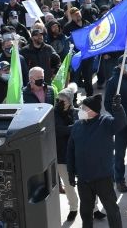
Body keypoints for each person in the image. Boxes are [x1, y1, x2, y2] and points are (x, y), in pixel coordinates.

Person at [67, 93, 126, 228]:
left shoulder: (105, 122)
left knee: (112, 209)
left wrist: (118, 108)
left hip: (102, 177)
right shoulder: (77, 126)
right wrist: (71, 171)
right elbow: (70, 151)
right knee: (86, 212)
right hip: (83, 179)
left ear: (92, 110)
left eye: (83, 108)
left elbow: (121, 123)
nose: (80, 110)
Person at [104, 59, 127, 192]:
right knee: (120, 153)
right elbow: (107, 103)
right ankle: (119, 179)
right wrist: (116, 109)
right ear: (120, 66)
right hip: (121, 125)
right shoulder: (114, 82)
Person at [54, 84, 79, 222]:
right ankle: (73, 208)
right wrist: (73, 127)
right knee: (68, 186)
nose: (60, 102)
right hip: (62, 156)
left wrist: (70, 128)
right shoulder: (54, 113)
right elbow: (59, 130)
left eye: (63, 100)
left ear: (70, 100)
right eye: (58, 100)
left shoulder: (76, 112)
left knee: (87, 184)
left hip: (78, 154)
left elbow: (78, 129)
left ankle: (94, 208)